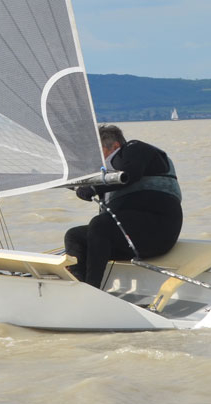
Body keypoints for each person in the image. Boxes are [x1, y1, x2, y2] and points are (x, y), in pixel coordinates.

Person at [64, 124, 183, 290]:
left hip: (158, 230)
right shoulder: (106, 172)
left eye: (98, 153)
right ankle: (77, 285)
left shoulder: (135, 149)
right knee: (74, 236)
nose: (95, 160)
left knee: (100, 224)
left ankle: (92, 289)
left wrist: (94, 188)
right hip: (130, 235)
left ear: (115, 146)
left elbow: (130, 174)